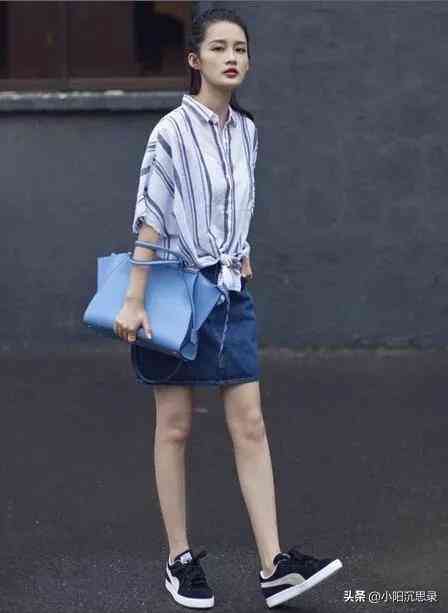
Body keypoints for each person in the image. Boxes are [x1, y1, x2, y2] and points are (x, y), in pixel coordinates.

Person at [113, 7, 342, 610]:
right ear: (195, 60)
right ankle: (179, 558)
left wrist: (240, 252)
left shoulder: (247, 132)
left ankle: (274, 565)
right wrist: (134, 299)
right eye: (218, 48)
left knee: (250, 424)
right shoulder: (169, 132)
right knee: (175, 425)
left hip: (229, 293)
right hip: (173, 294)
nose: (231, 57)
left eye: (239, 48)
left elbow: (236, 203)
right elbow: (150, 216)